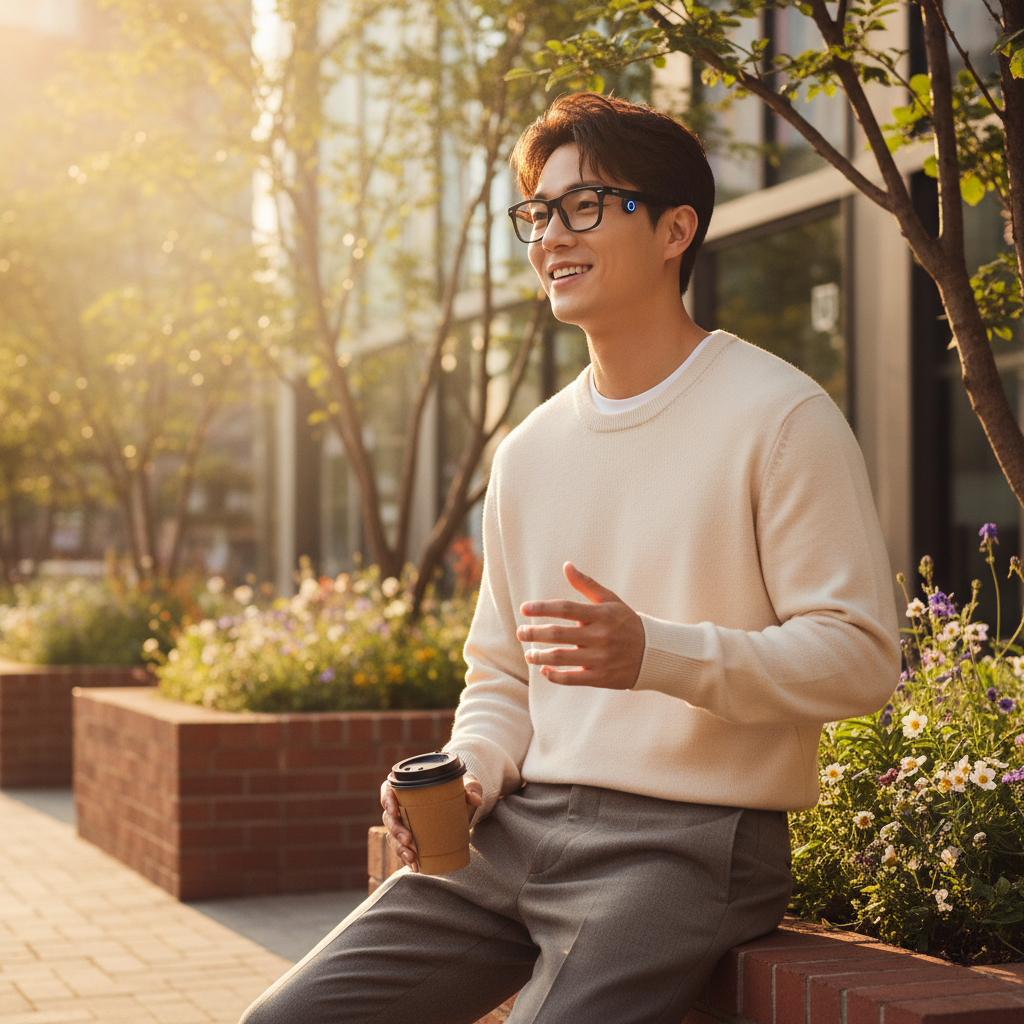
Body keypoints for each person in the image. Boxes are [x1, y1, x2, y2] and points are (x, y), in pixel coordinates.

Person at [240, 92, 900, 1024]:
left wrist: (654, 655)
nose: (552, 234)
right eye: (538, 213)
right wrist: (471, 769)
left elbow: (862, 657)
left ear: (676, 229)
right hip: (512, 832)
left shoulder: (780, 417)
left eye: (586, 205)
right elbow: (501, 671)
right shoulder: (529, 451)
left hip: (691, 843)